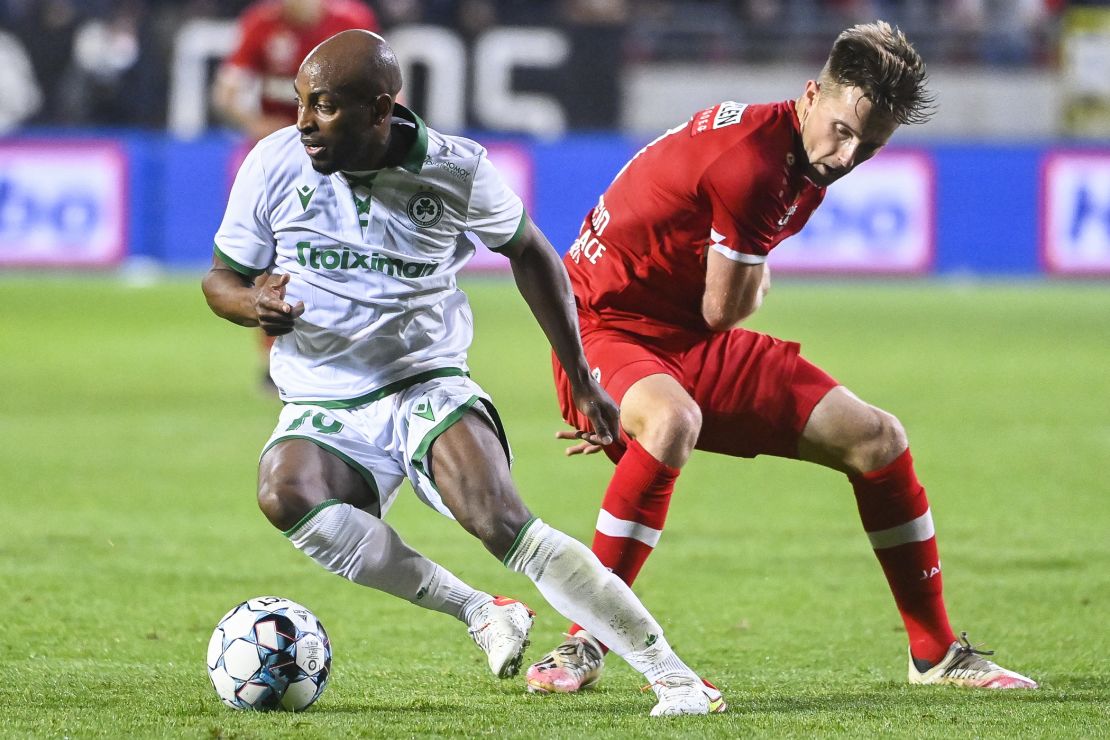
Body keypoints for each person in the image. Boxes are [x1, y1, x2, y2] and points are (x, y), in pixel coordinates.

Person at [201, 29, 725, 717]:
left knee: (498, 518)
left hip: (424, 380)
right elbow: (221, 279)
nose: (303, 122)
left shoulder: (454, 169)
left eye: (324, 107)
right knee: (284, 493)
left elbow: (533, 253)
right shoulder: (273, 161)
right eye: (300, 102)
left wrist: (583, 376)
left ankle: (677, 677)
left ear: (381, 110)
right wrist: (251, 304)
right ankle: (482, 612)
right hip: (323, 397)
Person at [525, 20, 1038, 694]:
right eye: (844, 130)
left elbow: (715, 309)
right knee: (672, 421)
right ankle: (582, 642)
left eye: (871, 146)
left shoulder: (803, 154)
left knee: (877, 439)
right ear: (809, 95)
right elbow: (726, 308)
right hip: (603, 329)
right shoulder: (754, 164)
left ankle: (935, 654)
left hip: (685, 337)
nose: (849, 154)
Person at [212, 0, 379, 391]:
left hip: (338, 161)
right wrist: (258, 125)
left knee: (347, 251)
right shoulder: (262, 24)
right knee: (270, 258)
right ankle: (274, 356)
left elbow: (385, 87)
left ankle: (359, 345)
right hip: (281, 165)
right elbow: (227, 91)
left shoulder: (351, 21)